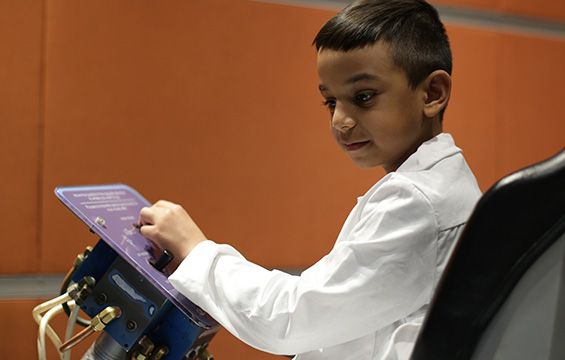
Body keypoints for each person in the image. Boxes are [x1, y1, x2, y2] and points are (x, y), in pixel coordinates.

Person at [138, 0, 482, 358]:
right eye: (331, 101)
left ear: (432, 93)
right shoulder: (439, 186)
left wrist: (195, 251)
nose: (340, 121)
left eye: (363, 97)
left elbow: (290, 319)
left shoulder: (419, 201)